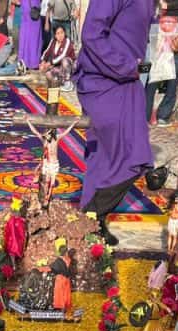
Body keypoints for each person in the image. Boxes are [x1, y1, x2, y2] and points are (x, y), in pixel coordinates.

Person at [73, 0, 154, 245]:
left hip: (126, 81)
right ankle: (92, 217)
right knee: (130, 155)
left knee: (106, 156)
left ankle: (93, 222)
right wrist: (124, 65)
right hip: (104, 80)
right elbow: (91, 34)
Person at [145, 2, 178, 126]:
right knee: (153, 73)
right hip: (158, 25)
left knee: (176, 71)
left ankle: (163, 114)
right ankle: (144, 115)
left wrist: (166, 4)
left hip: (176, 24)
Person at [27, 118, 78, 206]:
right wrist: (28, 122)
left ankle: (47, 198)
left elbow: (66, 132)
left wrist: (73, 123)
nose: (46, 135)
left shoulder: (56, 139)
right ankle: (45, 198)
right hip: (47, 164)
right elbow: (35, 132)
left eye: (48, 134)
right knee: (46, 182)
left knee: (52, 183)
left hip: (54, 164)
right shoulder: (44, 141)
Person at [39, 23, 75, 90]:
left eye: (62, 32)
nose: (60, 35)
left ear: (64, 33)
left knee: (65, 60)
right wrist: (43, 61)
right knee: (48, 74)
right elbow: (47, 51)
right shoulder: (53, 41)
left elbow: (62, 55)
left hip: (70, 67)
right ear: (55, 35)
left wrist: (50, 63)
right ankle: (61, 82)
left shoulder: (67, 41)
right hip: (60, 68)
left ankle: (68, 82)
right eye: (58, 33)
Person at [15, 0, 42, 71]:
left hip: (28, 17)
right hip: (33, 16)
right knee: (33, 41)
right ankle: (33, 63)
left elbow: (17, 2)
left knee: (26, 40)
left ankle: (24, 63)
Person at [49, 244, 74, 315]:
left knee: (59, 293)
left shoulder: (58, 260)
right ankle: (65, 306)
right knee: (66, 292)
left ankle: (59, 306)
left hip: (60, 278)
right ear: (66, 252)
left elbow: (53, 268)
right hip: (67, 278)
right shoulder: (68, 259)